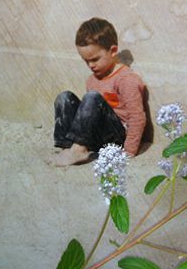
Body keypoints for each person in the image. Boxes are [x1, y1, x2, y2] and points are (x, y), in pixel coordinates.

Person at [54, 17, 147, 166]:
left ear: (113, 51)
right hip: (96, 137)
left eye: (95, 59)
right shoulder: (92, 80)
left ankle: (79, 150)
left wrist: (128, 151)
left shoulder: (126, 79)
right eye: (86, 61)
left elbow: (137, 117)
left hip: (117, 137)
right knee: (64, 98)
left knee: (92, 98)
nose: (91, 65)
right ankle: (68, 147)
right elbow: (88, 118)